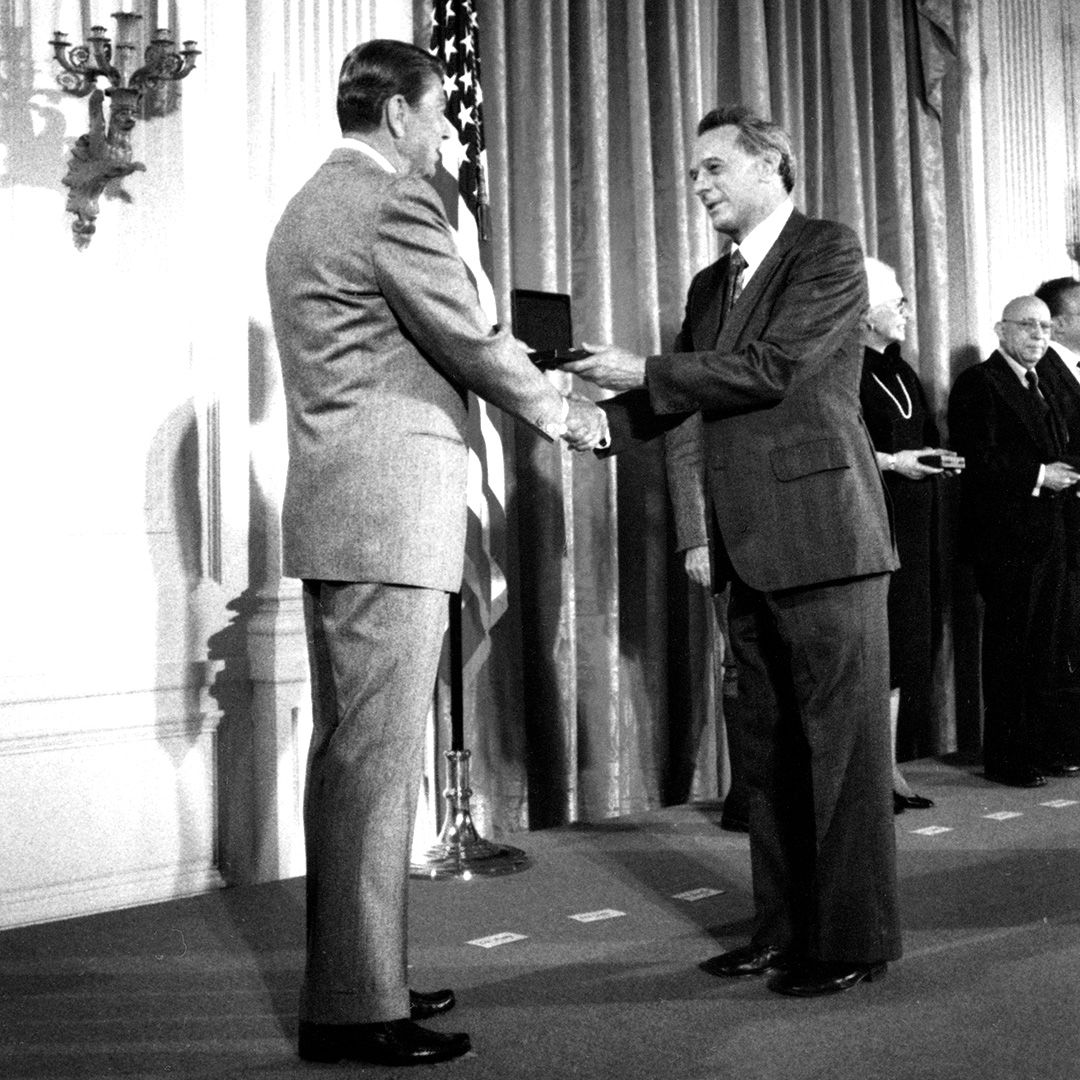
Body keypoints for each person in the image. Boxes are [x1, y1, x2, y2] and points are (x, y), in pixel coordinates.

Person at [265, 39, 606, 1067]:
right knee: (371, 766)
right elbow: (466, 334)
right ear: (400, 113)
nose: (450, 135)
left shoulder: (302, 209)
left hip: (341, 513)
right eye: (443, 116)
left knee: (350, 759)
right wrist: (566, 413)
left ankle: (359, 978)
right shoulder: (392, 203)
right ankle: (356, 1011)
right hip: (389, 517)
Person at [563, 104, 902, 998]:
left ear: (770, 166)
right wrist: (592, 425)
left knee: (844, 753)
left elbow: (774, 368)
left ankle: (852, 940)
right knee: (770, 754)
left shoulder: (828, 251)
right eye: (695, 174)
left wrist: (642, 371)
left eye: (714, 167)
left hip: (827, 537)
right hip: (746, 545)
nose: (701, 185)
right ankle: (783, 932)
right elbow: (681, 398)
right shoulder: (711, 285)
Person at [947, 296, 1080, 789]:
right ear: (1001, 329)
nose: (1039, 336)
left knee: (1043, 649)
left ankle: (1036, 747)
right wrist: (1041, 474)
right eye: (1028, 326)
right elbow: (972, 459)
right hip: (1006, 541)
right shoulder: (979, 383)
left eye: (1046, 327)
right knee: (1010, 650)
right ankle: (1005, 756)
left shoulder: (1041, 383)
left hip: (1048, 537)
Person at [859, 257, 964, 814]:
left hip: (916, 527)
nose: (905, 310)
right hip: (871, 523)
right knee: (874, 651)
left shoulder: (902, 371)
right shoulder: (842, 369)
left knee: (904, 648)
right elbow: (842, 449)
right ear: (863, 313)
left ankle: (889, 769)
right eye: (895, 301)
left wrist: (937, 458)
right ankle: (869, 775)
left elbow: (918, 435)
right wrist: (895, 463)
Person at [664, 413, 749, 832]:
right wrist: (695, 539)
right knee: (738, 659)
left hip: (782, 531)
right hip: (724, 535)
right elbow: (685, 452)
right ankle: (747, 795)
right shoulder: (695, 346)